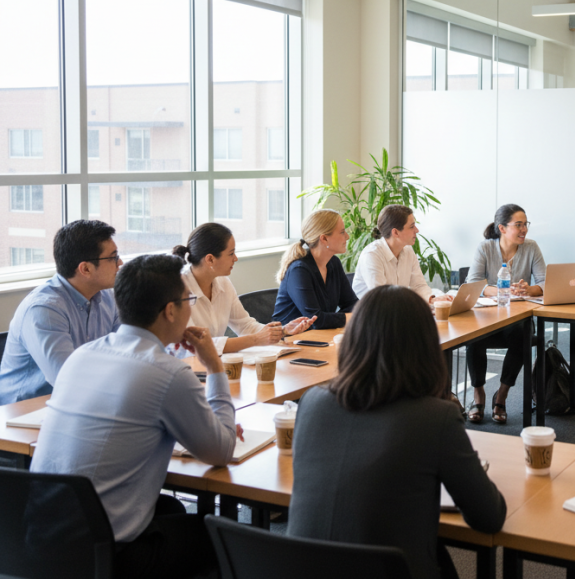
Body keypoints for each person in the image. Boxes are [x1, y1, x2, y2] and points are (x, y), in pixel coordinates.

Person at [31, 254, 237, 579]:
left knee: (171, 508)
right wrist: (214, 366)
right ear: (170, 311)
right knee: (222, 535)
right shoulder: (168, 373)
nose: (190, 308)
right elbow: (221, 451)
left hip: (40, 543)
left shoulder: (82, 355)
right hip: (107, 556)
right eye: (188, 300)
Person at [288, 285, 505, 579]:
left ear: (353, 341)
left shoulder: (312, 403)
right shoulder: (435, 418)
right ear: (425, 348)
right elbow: (489, 516)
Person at [0, 220, 122, 405]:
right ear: (85, 269)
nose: (120, 263)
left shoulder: (107, 297)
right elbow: (68, 380)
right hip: (23, 411)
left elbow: (128, 351)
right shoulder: (44, 310)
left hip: (76, 402)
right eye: (113, 257)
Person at [171, 222, 315, 355]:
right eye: (231, 253)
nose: (235, 258)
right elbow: (195, 344)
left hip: (212, 363)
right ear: (210, 259)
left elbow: (245, 326)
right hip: (184, 366)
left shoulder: (223, 282)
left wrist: (281, 331)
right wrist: (256, 339)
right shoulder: (177, 289)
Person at [465, 203, 545, 424]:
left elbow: (545, 283)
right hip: (486, 318)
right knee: (473, 336)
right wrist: (502, 290)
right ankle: (478, 395)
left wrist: (528, 289)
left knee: (523, 335)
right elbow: (473, 283)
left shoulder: (531, 247)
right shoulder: (485, 248)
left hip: (516, 321)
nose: (524, 230)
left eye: (525, 224)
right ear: (502, 228)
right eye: (518, 225)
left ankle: (501, 396)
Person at [274, 209, 358, 329]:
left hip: (320, 335)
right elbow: (316, 320)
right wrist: (352, 317)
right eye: (342, 232)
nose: (347, 236)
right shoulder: (299, 270)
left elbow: (352, 304)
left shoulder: (334, 263)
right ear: (324, 239)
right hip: (290, 338)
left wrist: (345, 317)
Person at [351, 204, 437, 304]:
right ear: (395, 232)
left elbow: (418, 285)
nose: (417, 230)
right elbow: (382, 298)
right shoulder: (372, 255)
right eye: (411, 226)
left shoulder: (408, 251)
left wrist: (432, 300)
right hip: (370, 311)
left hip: (396, 309)